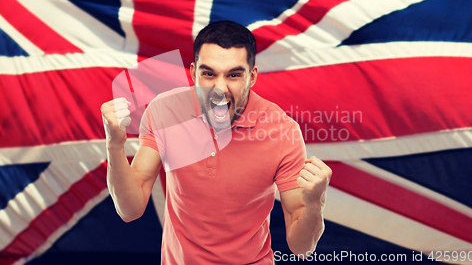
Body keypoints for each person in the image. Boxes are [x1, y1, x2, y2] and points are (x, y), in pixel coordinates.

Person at [101, 21, 332, 264]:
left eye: (234, 75)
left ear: (252, 77)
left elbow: (301, 248)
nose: (219, 89)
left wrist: (315, 203)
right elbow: (130, 209)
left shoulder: (283, 132)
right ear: (193, 73)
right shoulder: (164, 110)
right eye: (209, 74)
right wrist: (114, 145)